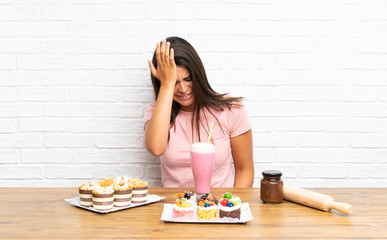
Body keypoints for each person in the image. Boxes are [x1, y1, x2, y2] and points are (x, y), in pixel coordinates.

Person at [144, 36, 254, 188]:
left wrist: (228, 207)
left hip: (218, 208)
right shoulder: (155, 113)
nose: (183, 89)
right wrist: (167, 84)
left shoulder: (231, 110)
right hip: (176, 208)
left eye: (188, 79)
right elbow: (156, 148)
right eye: (175, 82)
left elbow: (245, 171)